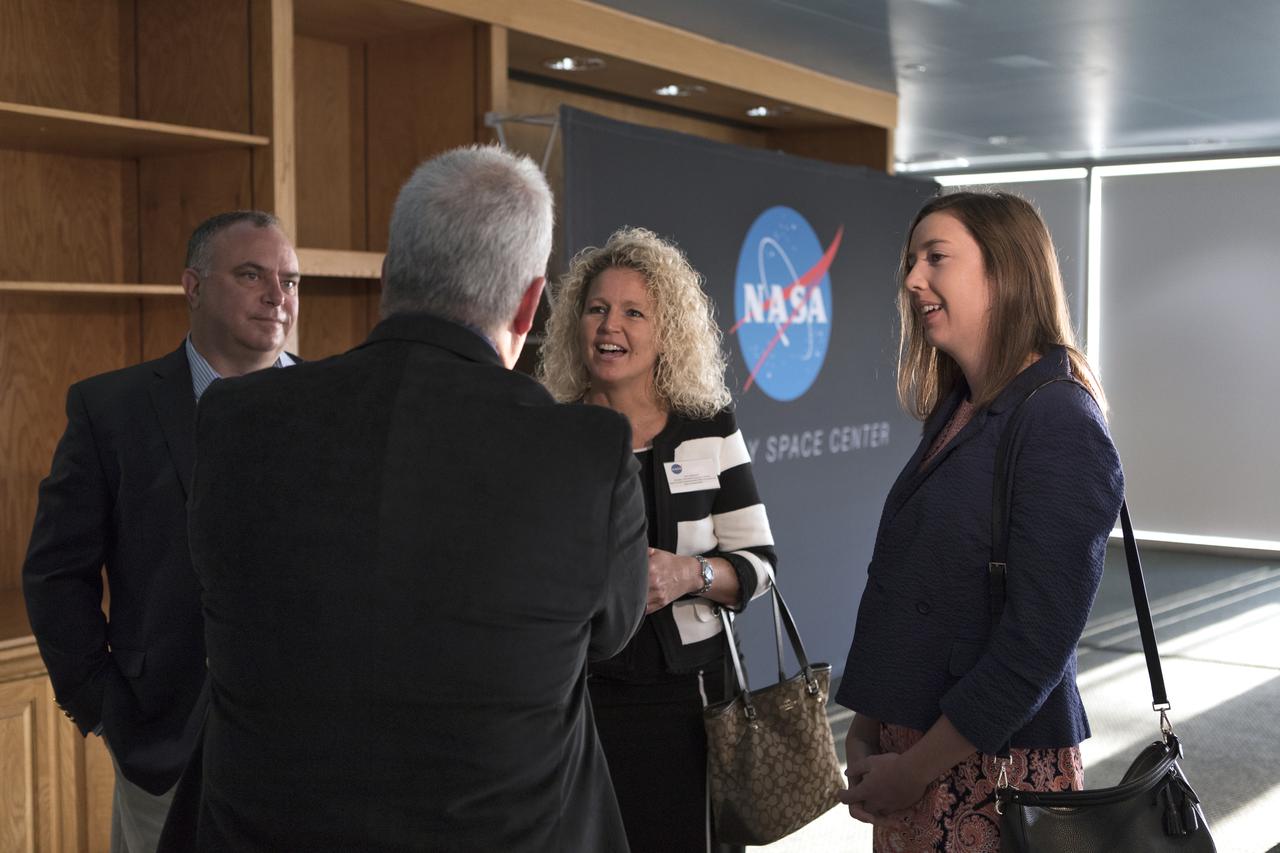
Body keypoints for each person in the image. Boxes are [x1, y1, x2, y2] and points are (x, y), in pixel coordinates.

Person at [162, 146, 649, 852]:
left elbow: (214, 591)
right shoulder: (587, 451)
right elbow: (611, 630)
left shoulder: (237, 419)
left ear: (391, 278)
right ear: (528, 301)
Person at [834, 190, 1124, 851]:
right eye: (911, 260)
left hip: (993, 773)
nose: (912, 279)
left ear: (1005, 272)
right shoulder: (960, 406)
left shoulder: (1059, 420)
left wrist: (914, 767)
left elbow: (1036, 645)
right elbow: (908, 590)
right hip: (919, 760)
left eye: (936, 257)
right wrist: (866, 724)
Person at [21, 210, 300, 853]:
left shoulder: (333, 405)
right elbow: (56, 572)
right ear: (193, 286)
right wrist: (101, 704)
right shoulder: (110, 409)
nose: (276, 296)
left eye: (290, 279)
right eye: (252, 274)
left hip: (306, 745)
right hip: (165, 740)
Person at [536, 226, 778, 853]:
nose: (609, 326)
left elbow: (759, 563)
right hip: (576, 699)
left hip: (691, 698)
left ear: (665, 330)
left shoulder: (709, 426)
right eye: (596, 309)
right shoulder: (551, 429)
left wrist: (687, 575)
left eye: (632, 312)